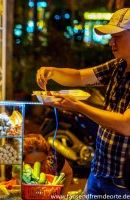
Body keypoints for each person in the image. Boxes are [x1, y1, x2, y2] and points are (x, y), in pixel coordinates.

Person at [36, 8, 130, 197]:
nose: (111, 42)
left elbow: (126, 124)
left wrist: (78, 107)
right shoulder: (118, 65)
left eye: (117, 37)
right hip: (100, 168)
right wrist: (52, 72)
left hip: (123, 179)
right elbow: (80, 76)